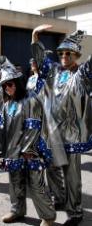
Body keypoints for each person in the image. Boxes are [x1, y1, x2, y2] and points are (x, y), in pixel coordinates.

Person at [31, 24, 92, 226]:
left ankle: (75, 213)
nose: (64, 56)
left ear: (77, 56)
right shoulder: (55, 72)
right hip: (53, 132)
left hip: (72, 134)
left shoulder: (82, 74)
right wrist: (35, 37)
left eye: (69, 53)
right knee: (52, 167)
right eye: (62, 53)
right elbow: (41, 60)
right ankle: (59, 199)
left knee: (72, 175)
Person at [0, 57, 55, 226]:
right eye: (4, 86)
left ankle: (47, 217)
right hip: (12, 152)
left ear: (18, 83)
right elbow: (2, 128)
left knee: (36, 184)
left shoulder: (31, 100)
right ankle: (17, 210)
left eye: (10, 84)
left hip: (30, 152)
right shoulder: (7, 104)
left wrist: (29, 150)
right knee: (15, 183)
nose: (7, 88)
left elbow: (33, 126)